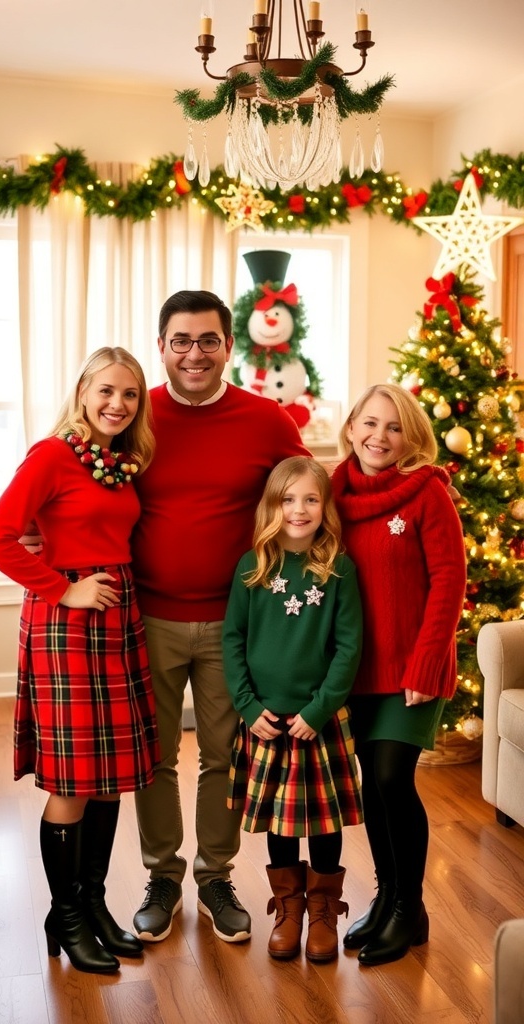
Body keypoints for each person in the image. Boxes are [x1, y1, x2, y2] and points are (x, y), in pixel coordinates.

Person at [131, 290, 311, 944]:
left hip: (239, 626)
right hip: (148, 616)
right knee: (153, 758)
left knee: (224, 755)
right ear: (162, 346)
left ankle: (215, 875)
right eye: (181, 340)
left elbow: (307, 500)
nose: (195, 353)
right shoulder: (136, 414)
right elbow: (74, 477)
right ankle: (162, 875)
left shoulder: (266, 421)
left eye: (208, 340)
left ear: (229, 346)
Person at [0, 347, 160, 975]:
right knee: (73, 779)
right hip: (67, 622)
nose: (117, 404)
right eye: (106, 390)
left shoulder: (118, 462)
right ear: (83, 390)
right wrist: (63, 586)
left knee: (107, 774)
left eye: (130, 395)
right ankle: (68, 914)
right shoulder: (52, 455)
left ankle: (92, 902)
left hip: (118, 613)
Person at [330, 383, 467, 966]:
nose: (378, 437)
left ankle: (408, 907)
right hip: (356, 669)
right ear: (352, 426)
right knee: (371, 785)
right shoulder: (333, 492)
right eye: (369, 423)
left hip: (412, 667)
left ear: (409, 436)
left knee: (391, 778)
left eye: (392, 427)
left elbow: (449, 582)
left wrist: (428, 661)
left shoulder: (427, 495)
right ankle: (390, 899)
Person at [222, 457, 363, 962]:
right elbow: (232, 640)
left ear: (325, 507)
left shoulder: (338, 569)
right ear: (271, 506)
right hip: (265, 721)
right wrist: (246, 703)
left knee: (324, 824)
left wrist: (320, 709)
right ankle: (288, 907)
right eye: (288, 499)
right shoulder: (252, 566)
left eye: (310, 499)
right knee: (280, 823)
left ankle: (324, 908)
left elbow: (349, 649)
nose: (299, 510)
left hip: (317, 723)